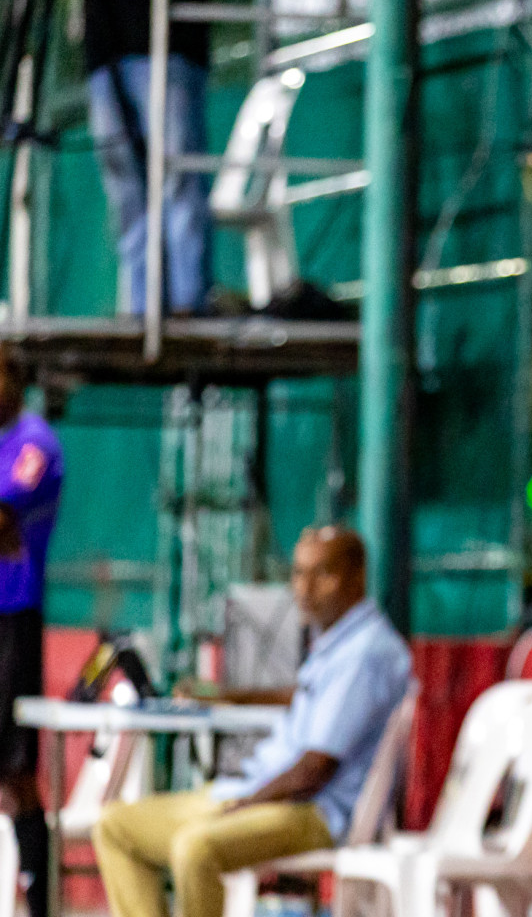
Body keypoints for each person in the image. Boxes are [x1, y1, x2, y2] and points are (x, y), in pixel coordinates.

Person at [92, 525, 412, 917]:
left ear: (357, 577)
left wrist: (247, 803)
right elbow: (303, 696)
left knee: (195, 847)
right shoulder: (338, 641)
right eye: (297, 573)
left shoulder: (365, 653)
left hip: (312, 811)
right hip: (263, 790)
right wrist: (225, 694)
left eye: (323, 574)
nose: (305, 588)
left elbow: (316, 769)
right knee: (116, 826)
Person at [55, 0, 213, 315]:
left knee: (177, 173)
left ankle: (187, 304)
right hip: (105, 54)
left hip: (167, 48)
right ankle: (142, 306)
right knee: (124, 183)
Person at [0, 346, 64, 917]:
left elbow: (5, 511)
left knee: (15, 773)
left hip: (12, 619)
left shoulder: (35, 445)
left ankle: (39, 900)